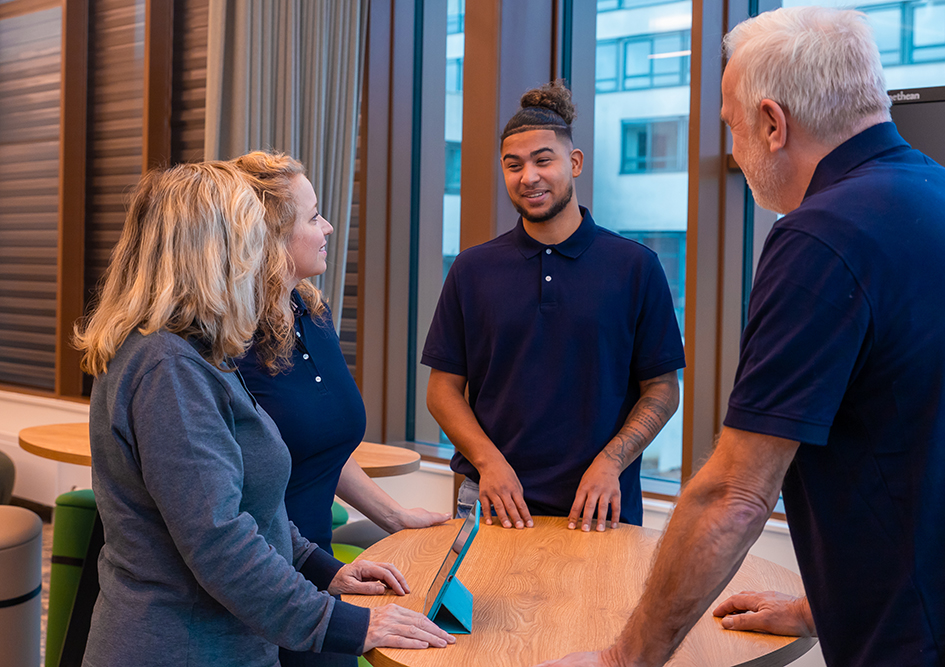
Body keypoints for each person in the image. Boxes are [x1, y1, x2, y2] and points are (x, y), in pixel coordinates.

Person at [536, 7, 945, 667]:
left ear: (773, 123)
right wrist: (824, 603)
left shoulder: (824, 236)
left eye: (732, 126)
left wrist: (621, 659)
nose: (732, 150)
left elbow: (736, 494)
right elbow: (939, 453)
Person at [74, 162, 453, 667]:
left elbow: (253, 507)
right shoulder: (167, 367)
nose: (264, 257)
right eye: (255, 239)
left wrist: (325, 570)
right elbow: (220, 541)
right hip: (181, 646)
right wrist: (342, 623)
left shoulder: (199, 353)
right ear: (216, 250)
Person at [422, 81, 685, 532]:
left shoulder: (635, 267)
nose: (529, 177)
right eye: (514, 165)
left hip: (600, 510)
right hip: (491, 506)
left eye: (544, 160)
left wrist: (611, 461)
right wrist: (490, 464)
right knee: (478, 608)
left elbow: (662, 388)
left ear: (574, 162)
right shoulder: (472, 269)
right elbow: (442, 391)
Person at [230, 151, 450, 666]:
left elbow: (321, 446)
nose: (328, 227)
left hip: (317, 566)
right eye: (312, 217)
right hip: (262, 581)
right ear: (269, 236)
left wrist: (394, 515)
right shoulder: (230, 341)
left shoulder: (313, 310)